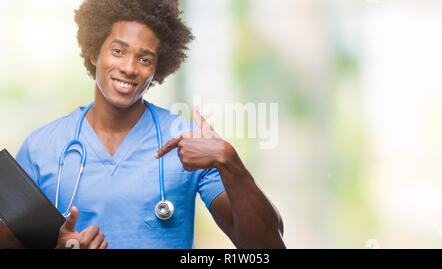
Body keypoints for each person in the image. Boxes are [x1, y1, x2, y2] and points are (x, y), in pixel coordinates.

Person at [0, 0, 285, 249]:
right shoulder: (41, 147)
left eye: (145, 58)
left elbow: (266, 246)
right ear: (93, 52)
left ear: (157, 69)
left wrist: (229, 161)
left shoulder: (188, 141)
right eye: (118, 50)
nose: (129, 67)